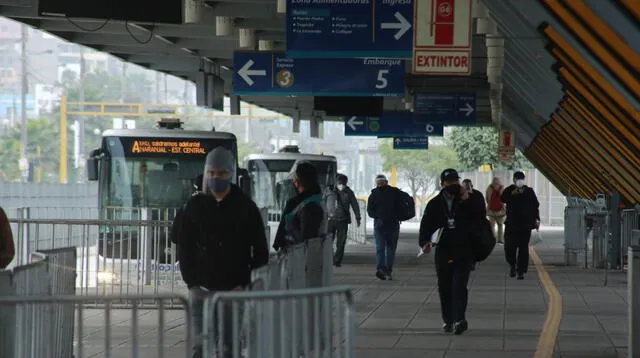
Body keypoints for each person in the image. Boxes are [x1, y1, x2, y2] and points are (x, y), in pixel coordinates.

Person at [175, 147, 269, 358]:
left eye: (221, 173)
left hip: (232, 291)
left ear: (231, 174)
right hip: (201, 290)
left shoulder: (245, 207)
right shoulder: (195, 206)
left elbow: (261, 251)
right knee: (199, 347)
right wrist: (192, 283)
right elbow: (184, 246)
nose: (215, 178)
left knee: (229, 345)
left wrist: (243, 284)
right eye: (211, 173)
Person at [418, 169, 485, 335]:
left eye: (456, 181)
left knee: (460, 286)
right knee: (445, 287)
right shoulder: (434, 204)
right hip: (444, 250)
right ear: (442, 184)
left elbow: (480, 217)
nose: (453, 185)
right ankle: (447, 320)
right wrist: (425, 243)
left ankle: (459, 319)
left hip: (464, 250)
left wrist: (467, 199)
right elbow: (426, 226)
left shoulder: (467, 200)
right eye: (449, 182)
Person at [273, 160, 328, 252]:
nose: (293, 182)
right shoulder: (316, 200)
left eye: (294, 180)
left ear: (297, 182)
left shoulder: (308, 206)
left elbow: (306, 242)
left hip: (300, 260)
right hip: (302, 258)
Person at [501, 171, 540, 280]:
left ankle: (521, 271)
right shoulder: (509, 190)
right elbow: (503, 199)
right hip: (511, 224)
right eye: (517, 179)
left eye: (521, 179)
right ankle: (512, 265)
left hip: (525, 225)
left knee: (523, 248)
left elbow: (535, 205)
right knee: (509, 247)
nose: (519, 181)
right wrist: (512, 194)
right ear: (514, 180)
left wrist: (536, 220)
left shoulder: (529, 191)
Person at [367, 174, 403, 281]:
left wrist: (378, 216)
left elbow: (370, 211)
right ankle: (383, 270)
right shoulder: (375, 194)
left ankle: (386, 270)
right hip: (385, 224)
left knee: (385, 248)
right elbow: (370, 210)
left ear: (386, 182)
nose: (380, 184)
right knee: (383, 248)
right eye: (378, 182)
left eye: (381, 182)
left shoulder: (393, 193)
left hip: (388, 224)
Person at [325, 174, 362, 267]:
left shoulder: (349, 192)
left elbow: (355, 205)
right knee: (328, 241)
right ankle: (328, 259)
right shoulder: (329, 190)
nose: (341, 184)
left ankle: (337, 261)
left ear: (346, 183)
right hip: (330, 220)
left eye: (342, 183)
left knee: (340, 243)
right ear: (336, 182)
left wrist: (358, 218)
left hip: (343, 220)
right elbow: (322, 203)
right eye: (339, 182)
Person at [462, 179, 486, 271]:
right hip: (464, 225)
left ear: (472, 185)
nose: (467, 187)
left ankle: (472, 262)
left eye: (468, 185)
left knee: (474, 245)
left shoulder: (477, 195)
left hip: (476, 224)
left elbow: (482, 209)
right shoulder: (460, 195)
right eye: (465, 186)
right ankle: (467, 262)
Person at [486, 177, 506, 244]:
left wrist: (490, 204)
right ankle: (500, 240)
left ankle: (493, 239)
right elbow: (505, 199)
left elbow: (487, 198)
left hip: (491, 211)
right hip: (501, 211)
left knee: (492, 226)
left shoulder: (489, 188)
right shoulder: (502, 188)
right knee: (500, 225)